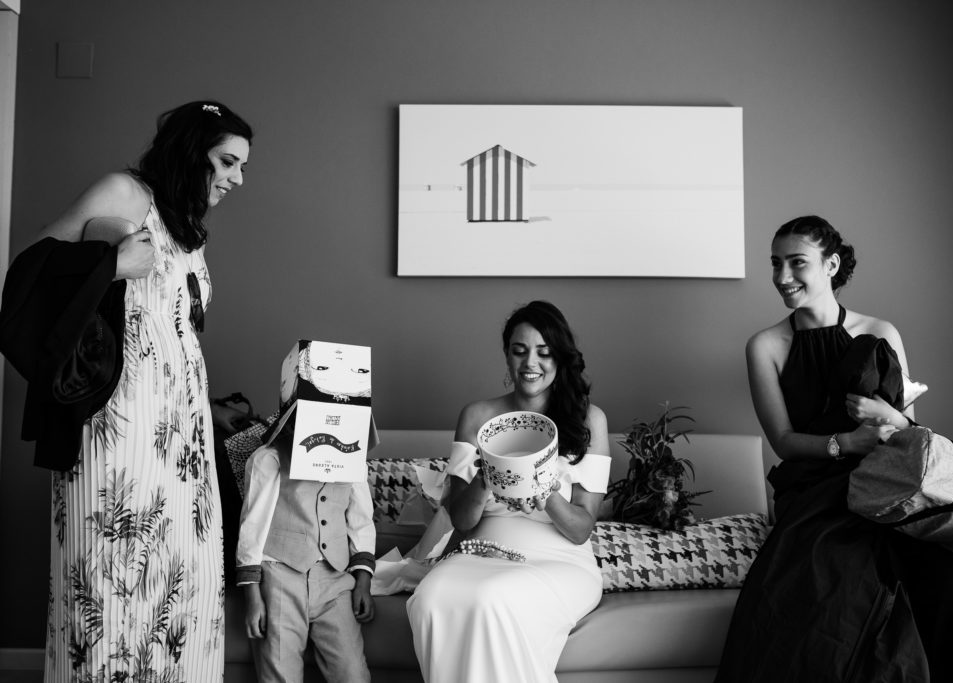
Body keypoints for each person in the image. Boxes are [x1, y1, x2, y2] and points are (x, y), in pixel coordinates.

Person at [715, 216, 953, 683]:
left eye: (797, 262)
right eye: (776, 263)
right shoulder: (764, 346)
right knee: (839, 603)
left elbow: (913, 432)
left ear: (831, 265)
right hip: (816, 497)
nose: (782, 276)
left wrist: (889, 419)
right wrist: (848, 443)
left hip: (894, 486)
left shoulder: (882, 332)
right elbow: (783, 441)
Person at [36, 101, 253, 682]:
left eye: (241, 166)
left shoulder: (187, 228)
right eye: (227, 161)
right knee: (110, 582)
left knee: (181, 586)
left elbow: (166, 331)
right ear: (191, 150)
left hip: (183, 440)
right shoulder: (124, 193)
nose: (237, 178)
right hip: (118, 427)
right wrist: (108, 265)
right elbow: (30, 272)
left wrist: (202, 407)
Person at [406, 300, 611, 683]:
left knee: (493, 598)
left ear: (559, 357)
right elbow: (461, 520)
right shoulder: (476, 416)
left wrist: (545, 491)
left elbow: (582, 529)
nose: (530, 362)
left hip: (557, 558)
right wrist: (486, 478)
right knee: (432, 598)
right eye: (519, 351)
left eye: (543, 352)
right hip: (479, 551)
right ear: (507, 355)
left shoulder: (588, 419)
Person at [236, 415, 375, 683]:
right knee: (280, 673)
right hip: (280, 577)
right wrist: (253, 596)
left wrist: (363, 581)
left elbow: (361, 520)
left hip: (334, 579)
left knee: (353, 674)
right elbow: (252, 526)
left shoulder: (354, 459)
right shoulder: (268, 458)